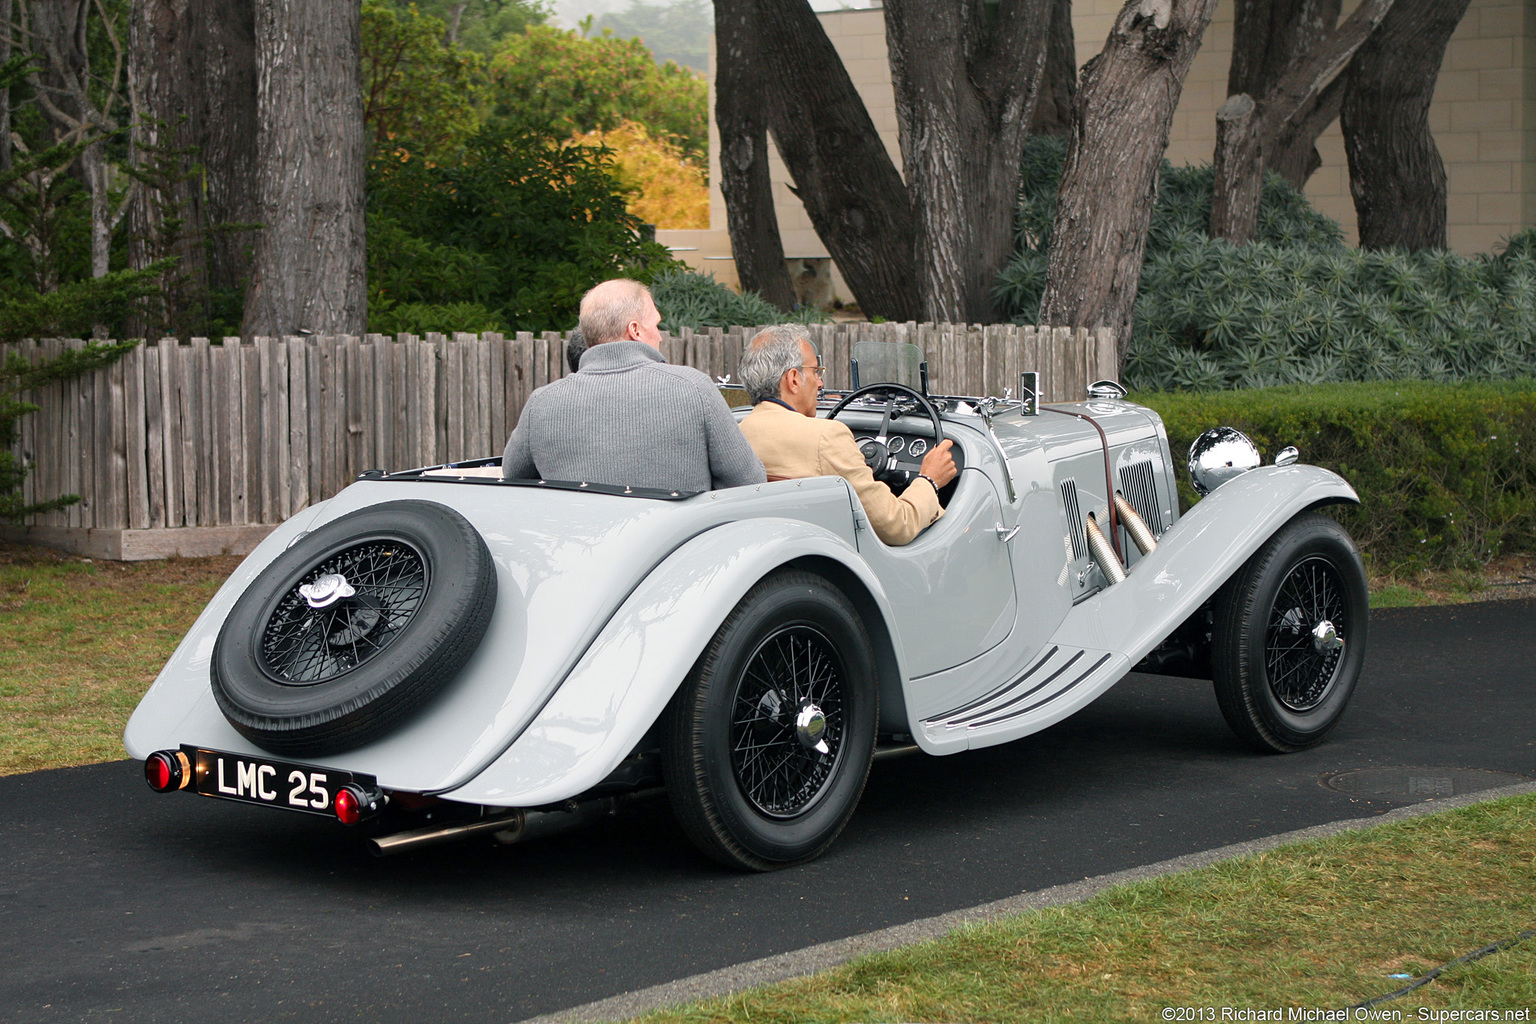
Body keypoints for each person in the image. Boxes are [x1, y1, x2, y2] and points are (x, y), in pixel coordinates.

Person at [501, 279, 765, 492]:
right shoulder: (693, 388)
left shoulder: (542, 403)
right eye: (657, 325)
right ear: (636, 330)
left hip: (577, 552)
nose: (660, 337)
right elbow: (749, 482)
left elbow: (513, 476)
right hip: (678, 553)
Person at [737, 325, 957, 546]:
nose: (820, 382)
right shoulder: (826, 436)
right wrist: (929, 479)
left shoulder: (738, 432)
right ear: (794, 379)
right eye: (815, 371)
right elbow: (896, 526)